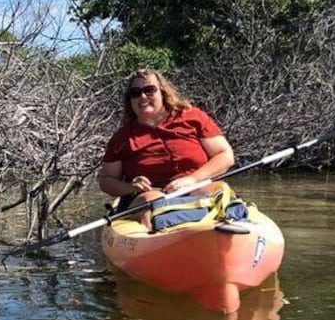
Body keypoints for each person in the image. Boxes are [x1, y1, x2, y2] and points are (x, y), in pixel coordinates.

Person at [98, 69, 235, 228]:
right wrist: (131, 187)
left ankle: (222, 220)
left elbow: (225, 155)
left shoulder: (192, 117)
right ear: (130, 100)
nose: (143, 97)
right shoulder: (122, 137)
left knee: (220, 190)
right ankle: (166, 227)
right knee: (150, 201)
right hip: (149, 196)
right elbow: (106, 180)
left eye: (149, 90)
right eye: (135, 93)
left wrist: (192, 180)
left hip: (195, 187)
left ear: (162, 92)